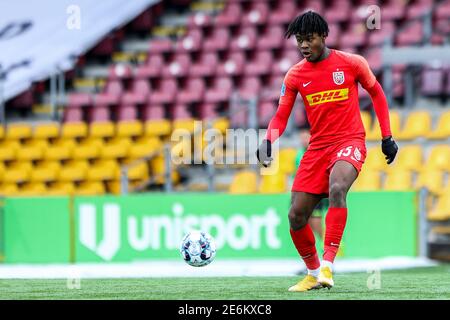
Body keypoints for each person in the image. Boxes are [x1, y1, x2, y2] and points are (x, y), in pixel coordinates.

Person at [256, 11, 398, 292]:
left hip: (349, 141)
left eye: (309, 39)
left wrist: (387, 136)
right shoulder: (295, 74)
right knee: (296, 216)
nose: (304, 45)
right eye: (299, 40)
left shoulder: (352, 63)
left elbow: (378, 94)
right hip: (317, 148)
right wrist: (269, 140)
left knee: (337, 188)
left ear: (324, 36)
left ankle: (328, 265)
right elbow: (281, 115)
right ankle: (312, 273)